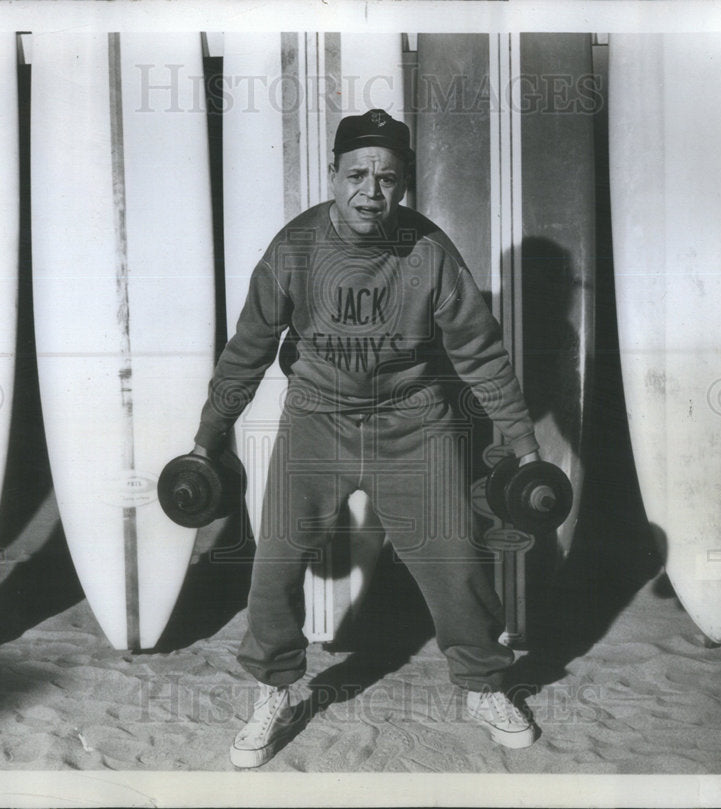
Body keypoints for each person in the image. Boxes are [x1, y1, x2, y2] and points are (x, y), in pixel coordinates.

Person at [191, 109, 542, 768]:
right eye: (357, 174)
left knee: (455, 561)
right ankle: (275, 688)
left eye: (387, 178)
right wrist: (206, 440)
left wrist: (524, 448)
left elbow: (482, 354)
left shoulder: (430, 252)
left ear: (405, 185)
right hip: (317, 419)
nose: (370, 192)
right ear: (333, 175)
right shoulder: (295, 250)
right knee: (274, 564)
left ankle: (484, 684)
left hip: (412, 421)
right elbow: (247, 352)